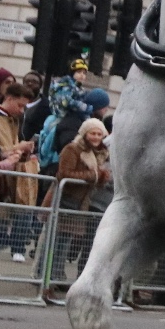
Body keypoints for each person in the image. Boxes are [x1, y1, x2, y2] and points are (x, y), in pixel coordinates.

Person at [0, 81, 41, 264]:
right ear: (8, 98)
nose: (22, 110)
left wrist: (25, 153)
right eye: (20, 105)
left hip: (11, 169)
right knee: (1, 206)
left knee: (14, 207)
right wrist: (19, 147)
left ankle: (11, 244)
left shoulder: (14, 120)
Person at [55, 116, 112, 276]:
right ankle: (48, 278)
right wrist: (93, 175)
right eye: (92, 133)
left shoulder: (97, 153)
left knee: (65, 242)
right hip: (66, 198)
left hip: (81, 201)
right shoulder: (73, 149)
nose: (95, 137)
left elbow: (94, 179)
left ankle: (56, 275)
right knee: (58, 242)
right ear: (85, 134)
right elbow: (64, 174)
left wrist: (101, 178)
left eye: (99, 134)